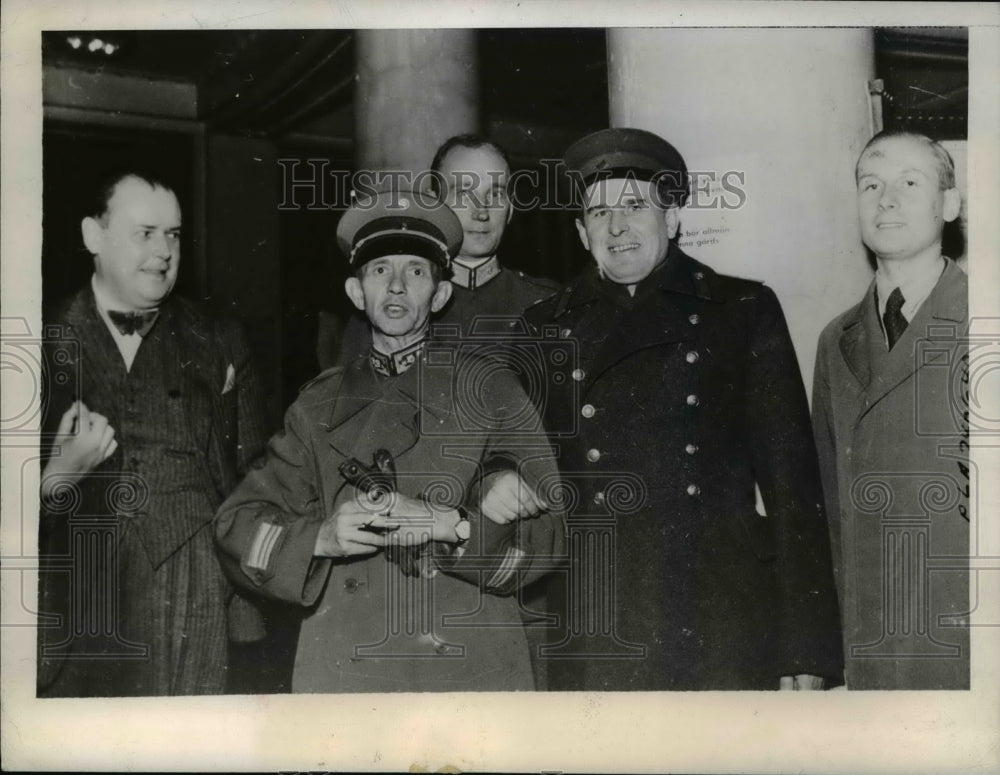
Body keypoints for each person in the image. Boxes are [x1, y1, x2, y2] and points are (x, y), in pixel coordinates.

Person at [525, 127, 843, 691]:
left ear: (671, 219)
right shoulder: (544, 328)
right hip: (599, 617)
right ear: (580, 233)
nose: (617, 226)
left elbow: (793, 487)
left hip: (720, 617)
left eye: (634, 205)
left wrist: (807, 647)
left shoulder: (741, 310)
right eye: (598, 213)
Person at [214, 184, 565, 692]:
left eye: (416, 272)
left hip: (468, 662)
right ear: (357, 293)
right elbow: (236, 524)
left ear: (440, 294)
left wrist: (456, 525)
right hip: (347, 663)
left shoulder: (492, 390)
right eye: (380, 271)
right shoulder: (317, 405)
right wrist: (320, 538)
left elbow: (555, 533)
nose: (397, 286)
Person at [37, 166, 270, 697]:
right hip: (73, 600)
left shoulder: (220, 339)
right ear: (93, 236)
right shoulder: (35, 344)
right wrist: (54, 480)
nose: (164, 250)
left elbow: (255, 473)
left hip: (195, 594)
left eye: (174, 234)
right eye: (145, 233)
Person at [812, 131, 969, 690]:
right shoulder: (836, 340)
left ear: (949, 204)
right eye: (870, 185)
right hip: (870, 643)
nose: (886, 200)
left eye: (910, 182)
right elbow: (828, 501)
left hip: (964, 642)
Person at [327, 134, 558, 366]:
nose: (482, 212)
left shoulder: (548, 304)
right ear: (433, 204)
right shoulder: (390, 306)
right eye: (464, 194)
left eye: (495, 194)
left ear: (510, 209)